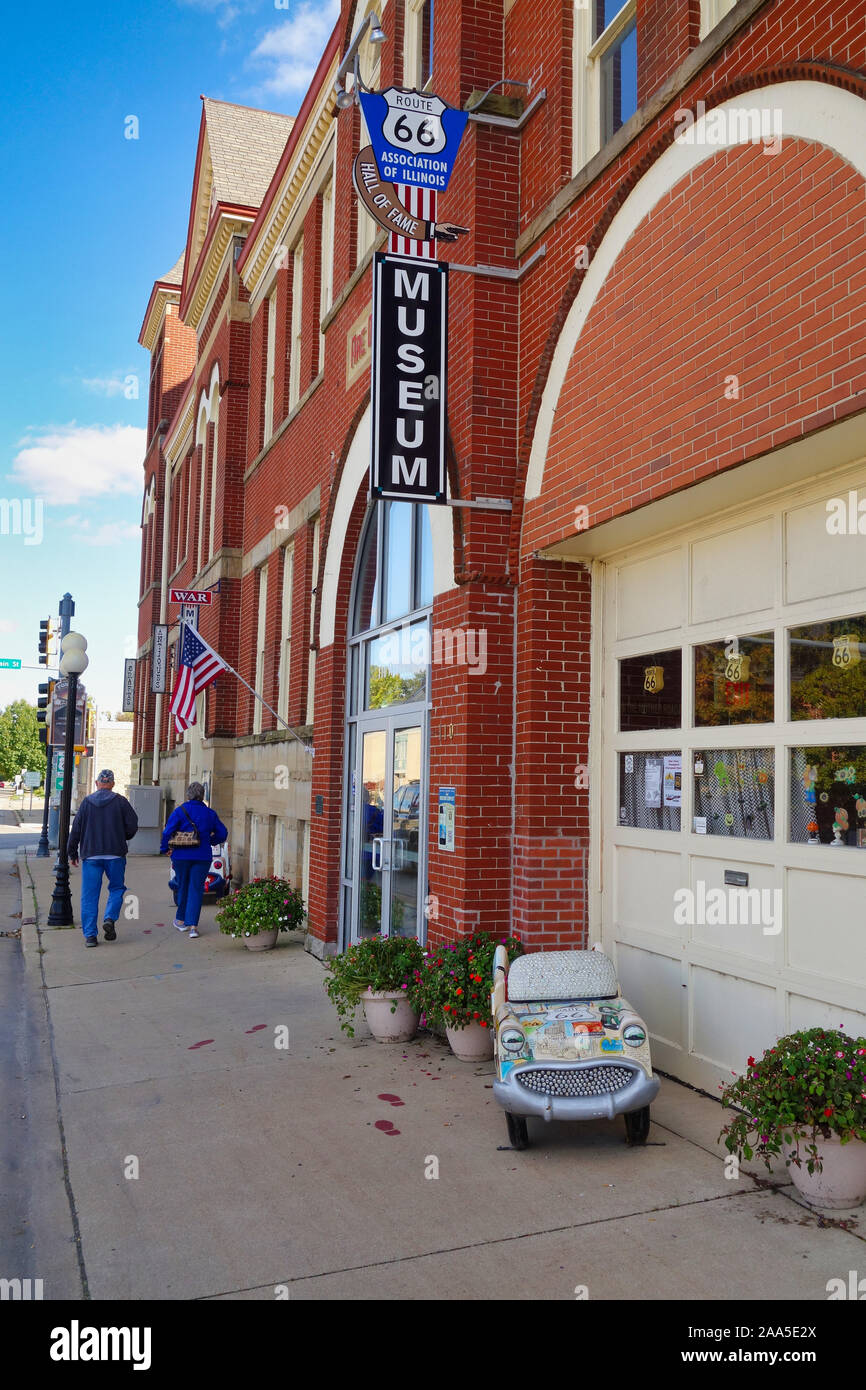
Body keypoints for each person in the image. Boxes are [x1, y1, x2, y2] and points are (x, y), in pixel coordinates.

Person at [68, 769, 139, 947]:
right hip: (115, 853)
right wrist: (123, 836)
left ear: (97, 783)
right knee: (116, 888)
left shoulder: (86, 803)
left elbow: (76, 829)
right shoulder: (121, 802)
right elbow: (132, 825)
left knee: (89, 895)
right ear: (112, 784)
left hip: (91, 854)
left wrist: (72, 852)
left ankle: (90, 936)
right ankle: (109, 917)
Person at [159, 782, 227, 939]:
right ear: (202, 795)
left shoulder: (179, 811)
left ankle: (181, 921)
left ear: (188, 795)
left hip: (181, 856)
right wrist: (211, 841)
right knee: (196, 889)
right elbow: (223, 833)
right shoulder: (210, 813)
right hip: (202, 856)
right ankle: (193, 927)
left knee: (182, 886)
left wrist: (165, 848)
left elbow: (167, 832)